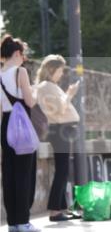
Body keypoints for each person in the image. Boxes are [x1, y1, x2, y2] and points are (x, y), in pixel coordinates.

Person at [33, 55, 81, 222]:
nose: (62, 74)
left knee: (63, 169)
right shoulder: (46, 86)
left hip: (60, 129)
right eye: (60, 70)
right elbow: (59, 109)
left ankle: (61, 208)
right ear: (52, 70)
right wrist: (70, 93)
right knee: (62, 169)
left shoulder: (49, 86)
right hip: (58, 129)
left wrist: (67, 93)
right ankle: (54, 210)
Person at [0, 36, 40, 232]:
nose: (23, 59)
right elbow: (30, 102)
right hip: (21, 125)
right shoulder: (20, 72)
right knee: (25, 173)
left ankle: (13, 223)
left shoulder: (0, 74)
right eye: (23, 55)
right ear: (17, 53)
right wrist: (35, 92)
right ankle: (24, 221)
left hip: (6, 125)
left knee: (9, 174)